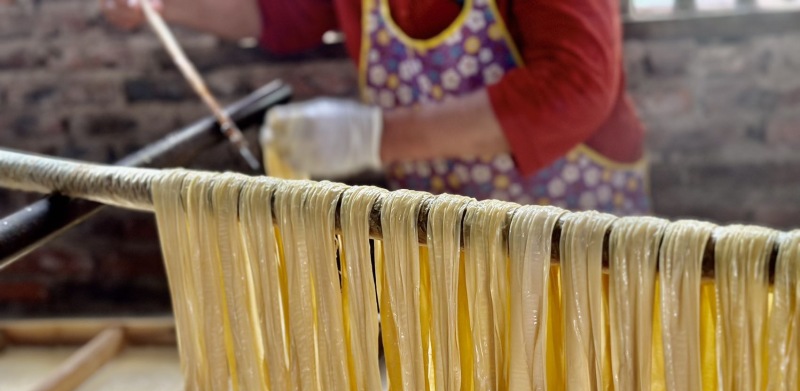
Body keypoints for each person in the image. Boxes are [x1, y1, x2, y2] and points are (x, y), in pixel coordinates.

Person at [102, 0, 649, 214]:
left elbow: (575, 88)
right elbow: (282, 13)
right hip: (440, 232)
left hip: (572, 232)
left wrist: (373, 138)